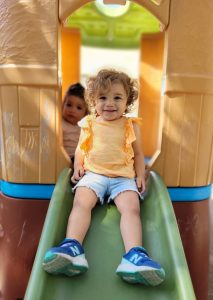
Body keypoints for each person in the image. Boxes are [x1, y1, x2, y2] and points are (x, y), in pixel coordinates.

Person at [43, 69, 165, 286]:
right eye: (102, 97)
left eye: (117, 97)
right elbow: (82, 148)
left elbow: (137, 154)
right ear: (93, 101)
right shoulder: (89, 123)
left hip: (123, 177)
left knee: (131, 208)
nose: (110, 103)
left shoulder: (130, 124)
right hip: (94, 174)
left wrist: (140, 175)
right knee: (81, 202)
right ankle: (72, 248)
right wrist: (79, 164)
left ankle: (134, 256)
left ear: (127, 100)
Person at [62, 83, 88, 163]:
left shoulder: (84, 126)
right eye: (69, 105)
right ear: (62, 105)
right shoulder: (59, 123)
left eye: (78, 107)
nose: (72, 110)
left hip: (80, 161)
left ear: (85, 112)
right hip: (63, 160)